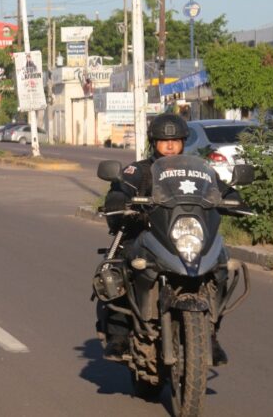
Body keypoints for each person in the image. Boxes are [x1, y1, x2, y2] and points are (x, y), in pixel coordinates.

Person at [98, 113, 234, 366]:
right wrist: (119, 203)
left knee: (221, 265)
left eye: (175, 140)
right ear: (154, 142)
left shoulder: (199, 171)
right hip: (147, 233)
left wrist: (234, 198)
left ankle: (211, 335)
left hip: (187, 236)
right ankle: (119, 336)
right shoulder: (139, 170)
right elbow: (119, 191)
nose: (170, 145)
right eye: (163, 140)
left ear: (184, 141)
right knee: (119, 267)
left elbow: (221, 189)